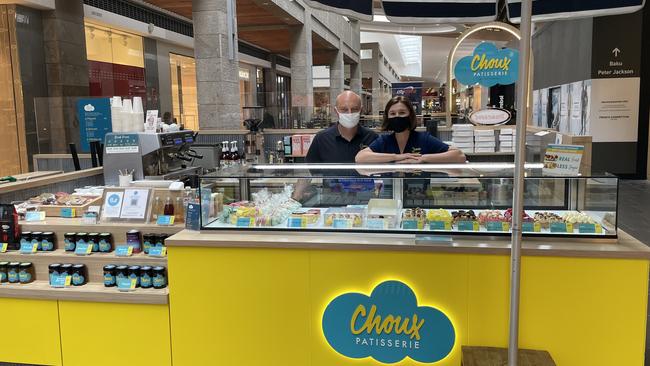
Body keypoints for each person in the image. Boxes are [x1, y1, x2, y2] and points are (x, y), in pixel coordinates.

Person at [355, 96, 466, 164]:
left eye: (402, 113)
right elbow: (360, 158)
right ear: (387, 117)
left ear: (410, 115)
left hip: (420, 197)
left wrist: (423, 158)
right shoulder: (384, 141)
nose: (397, 116)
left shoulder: (424, 139)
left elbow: (459, 156)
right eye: (392, 113)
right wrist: (396, 157)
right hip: (391, 195)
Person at [305, 91, 378, 163]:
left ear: (361, 110)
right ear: (336, 111)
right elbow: (313, 170)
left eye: (354, 109)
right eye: (344, 109)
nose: (349, 113)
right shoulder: (321, 139)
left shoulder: (372, 138)